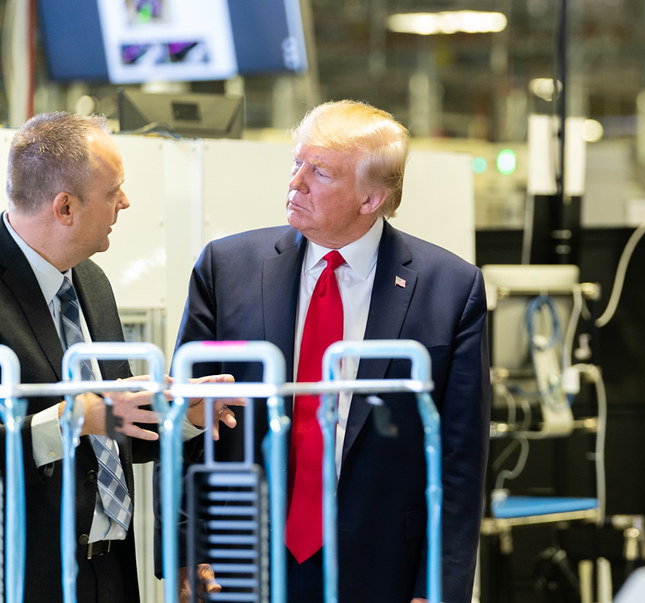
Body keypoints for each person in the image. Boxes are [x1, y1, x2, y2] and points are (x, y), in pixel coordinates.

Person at [173, 99, 490, 602]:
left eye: (319, 172)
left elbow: (460, 457)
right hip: (240, 563)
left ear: (371, 199)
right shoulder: (225, 269)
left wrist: (438, 587)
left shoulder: (450, 290)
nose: (295, 182)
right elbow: (185, 418)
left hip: (383, 568)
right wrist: (186, 547)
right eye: (296, 163)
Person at [0, 112, 234, 603]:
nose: (125, 202)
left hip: (111, 572)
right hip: (26, 576)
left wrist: (184, 418)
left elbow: (113, 431)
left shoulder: (91, 281)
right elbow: (80, 422)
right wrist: (69, 421)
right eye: (113, 192)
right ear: (65, 207)